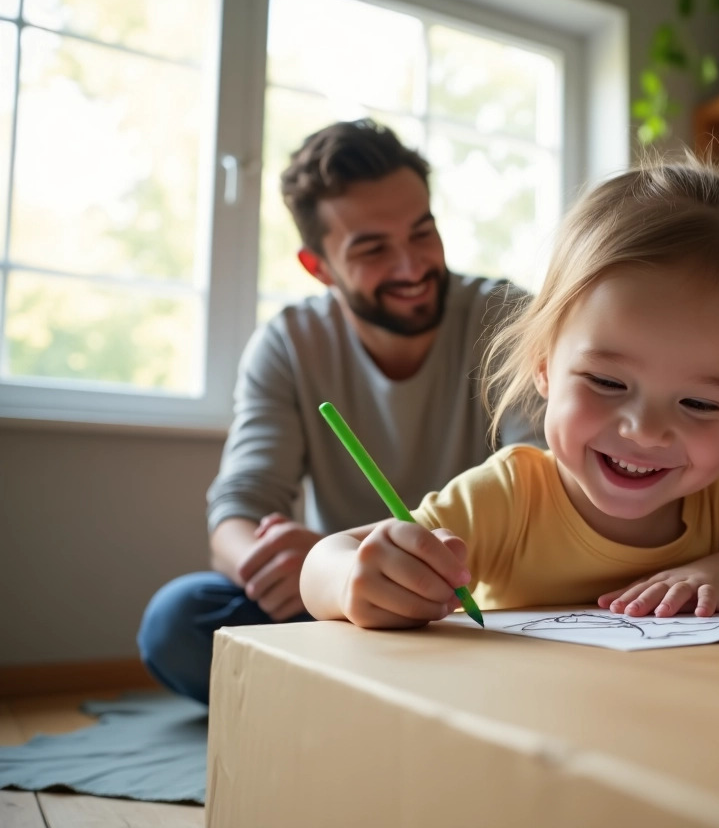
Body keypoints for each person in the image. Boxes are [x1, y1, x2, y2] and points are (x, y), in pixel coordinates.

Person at [299, 160, 719, 629]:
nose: (645, 430)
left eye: (701, 404)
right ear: (544, 368)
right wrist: (358, 579)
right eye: (606, 382)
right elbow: (326, 560)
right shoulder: (511, 498)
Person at [138, 119, 539, 703]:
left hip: (483, 591)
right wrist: (295, 569)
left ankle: (341, 699)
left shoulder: (506, 317)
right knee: (178, 620)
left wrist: (351, 556)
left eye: (422, 233)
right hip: (339, 603)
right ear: (317, 266)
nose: (411, 267)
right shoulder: (287, 344)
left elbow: (543, 482)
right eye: (373, 248)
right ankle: (402, 693)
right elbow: (238, 510)